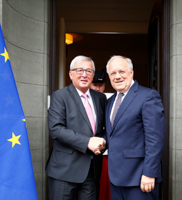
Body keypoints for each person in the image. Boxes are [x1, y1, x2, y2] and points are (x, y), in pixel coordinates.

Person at [46, 55, 107, 200]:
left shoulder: (100, 98)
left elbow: (105, 129)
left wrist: (102, 143)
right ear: (70, 74)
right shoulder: (60, 96)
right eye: (79, 70)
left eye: (88, 71)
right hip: (64, 171)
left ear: (93, 75)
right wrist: (87, 142)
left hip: (91, 172)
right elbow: (56, 129)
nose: (84, 75)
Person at [104, 55, 165, 200]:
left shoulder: (148, 96)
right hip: (116, 179)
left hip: (140, 179)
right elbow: (114, 134)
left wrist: (150, 173)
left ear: (131, 72)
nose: (117, 76)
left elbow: (155, 139)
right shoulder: (111, 101)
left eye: (121, 72)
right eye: (113, 73)